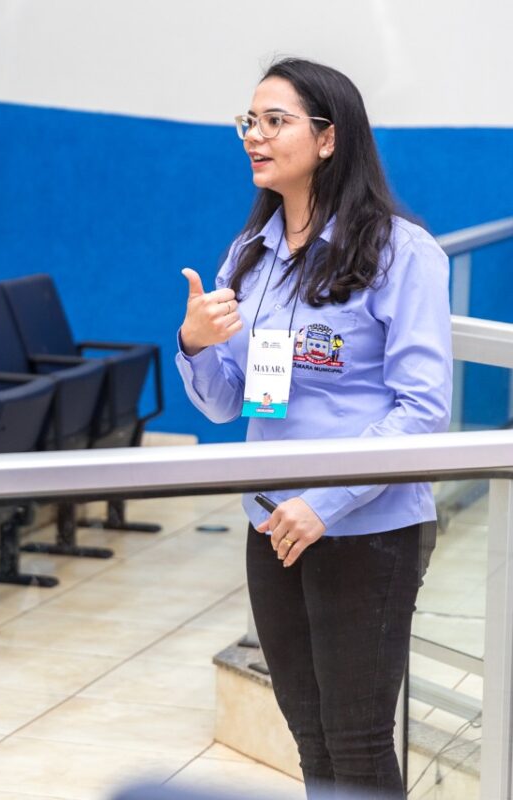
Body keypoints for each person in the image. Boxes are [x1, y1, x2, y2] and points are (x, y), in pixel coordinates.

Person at [175, 58, 451, 798]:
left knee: (358, 744)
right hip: (271, 522)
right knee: (310, 737)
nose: (254, 136)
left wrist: (322, 503)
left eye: (275, 121)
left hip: (367, 529)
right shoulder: (251, 255)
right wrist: (195, 344)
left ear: (328, 139)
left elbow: (423, 409)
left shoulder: (400, 252)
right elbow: (227, 403)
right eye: (249, 121)